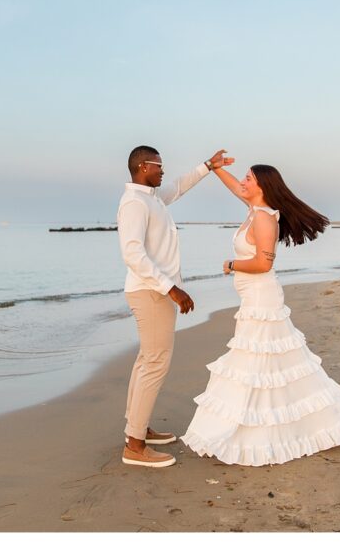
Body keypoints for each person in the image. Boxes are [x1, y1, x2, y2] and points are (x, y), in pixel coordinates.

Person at [181, 162, 340, 466]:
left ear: (263, 186)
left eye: (248, 177)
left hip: (261, 298)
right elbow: (235, 189)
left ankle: (266, 432)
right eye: (244, 176)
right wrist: (215, 169)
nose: (242, 181)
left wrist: (231, 265)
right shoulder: (254, 208)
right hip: (253, 297)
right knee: (269, 363)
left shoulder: (265, 218)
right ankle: (270, 425)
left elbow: (263, 264)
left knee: (259, 361)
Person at [117, 145, 234, 468]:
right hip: (151, 292)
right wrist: (172, 289)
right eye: (158, 165)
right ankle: (135, 446)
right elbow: (133, 254)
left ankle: (137, 429)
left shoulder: (152, 199)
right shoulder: (134, 203)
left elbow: (179, 186)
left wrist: (208, 166)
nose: (163, 170)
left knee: (146, 361)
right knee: (155, 363)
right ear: (143, 167)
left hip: (155, 291)